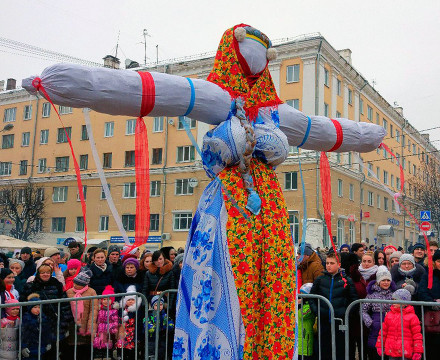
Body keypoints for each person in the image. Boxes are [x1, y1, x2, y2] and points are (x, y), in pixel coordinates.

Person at [25, 23, 385, 358]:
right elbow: (148, 90)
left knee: (272, 289)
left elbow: (322, 130)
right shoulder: (216, 97)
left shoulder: (276, 113)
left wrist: (366, 137)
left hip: (270, 214)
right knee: (223, 287)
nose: (257, 60)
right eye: (249, 49)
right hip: (227, 210)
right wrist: (62, 83)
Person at [310, 252, 358, 360]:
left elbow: (354, 300)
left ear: (339, 264)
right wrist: (317, 310)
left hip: (339, 322)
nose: (328, 265)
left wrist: (345, 313)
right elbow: (312, 297)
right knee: (324, 350)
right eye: (327, 263)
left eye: (332, 263)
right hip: (323, 321)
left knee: (339, 351)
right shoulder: (320, 280)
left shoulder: (346, 281)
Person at [20, 263, 72, 358]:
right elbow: (23, 305)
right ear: (38, 274)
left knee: (53, 352)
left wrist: (65, 323)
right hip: (36, 324)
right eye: (42, 272)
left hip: (54, 323)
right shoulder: (30, 286)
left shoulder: (57, 285)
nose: (45, 274)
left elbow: (65, 305)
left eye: (48, 272)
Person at [375, 288, 423, 360]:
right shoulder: (389, 315)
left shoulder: (412, 317)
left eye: (396, 300)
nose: (393, 303)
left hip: (405, 351)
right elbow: (383, 332)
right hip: (391, 349)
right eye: (393, 300)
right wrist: (380, 345)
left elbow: (417, 336)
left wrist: (418, 351)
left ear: (404, 302)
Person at [361, 266, 397, 360]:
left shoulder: (394, 294)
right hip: (376, 325)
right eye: (383, 280)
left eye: (388, 280)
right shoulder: (372, 295)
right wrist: (370, 322)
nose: (386, 282)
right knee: (376, 350)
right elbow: (363, 310)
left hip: (391, 326)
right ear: (378, 281)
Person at [65, 270, 97, 358]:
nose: (75, 285)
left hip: (85, 324)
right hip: (72, 325)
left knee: (84, 350)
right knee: (72, 349)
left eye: (78, 284)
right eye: (74, 283)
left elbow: (93, 310)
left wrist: (91, 325)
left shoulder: (91, 292)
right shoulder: (69, 292)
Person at [20, 293, 52, 359]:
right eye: (35, 307)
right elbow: (23, 334)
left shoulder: (43, 317)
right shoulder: (26, 318)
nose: (37, 309)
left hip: (41, 347)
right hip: (30, 348)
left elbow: (47, 332)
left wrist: (48, 342)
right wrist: (23, 347)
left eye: (39, 307)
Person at [116, 286, 143, 360]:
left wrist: (137, 337)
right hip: (123, 334)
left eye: (132, 300)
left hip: (132, 335)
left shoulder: (137, 311)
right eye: (128, 300)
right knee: (122, 351)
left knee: (132, 353)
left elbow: (139, 324)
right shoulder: (122, 310)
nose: (130, 301)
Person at [145, 295, 175, 360]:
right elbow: (148, 327)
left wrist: (164, 328)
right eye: (156, 305)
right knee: (152, 356)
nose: (159, 306)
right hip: (152, 340)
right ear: (153, 306)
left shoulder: (165, 315)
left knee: (163, 355)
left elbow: (171, 325)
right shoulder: (149, 316)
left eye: (161, 304)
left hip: (163, 341)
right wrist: (159, 329)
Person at [93, 285, 119, 358]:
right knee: (98, 342)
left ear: (112, 300)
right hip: (100, 330)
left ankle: (108, 355)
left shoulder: (113, 311)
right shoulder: (99, 309)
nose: (105, 301)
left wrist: (113, 328)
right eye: (104, 299)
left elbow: (115, 321)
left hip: (109, 331)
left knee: (108, 344)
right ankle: (99, 355)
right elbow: (96, 320)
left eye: (108, 299)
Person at [297, 283, 314, 360]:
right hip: (300, 333)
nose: (301, 295)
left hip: (305, 334)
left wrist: (299, 305)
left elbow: (302, 314)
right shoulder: (303, 303)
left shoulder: (310, 306)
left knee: (305, 354)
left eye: (304, 294)